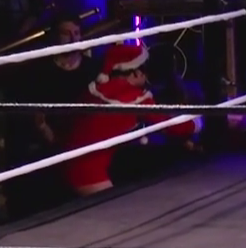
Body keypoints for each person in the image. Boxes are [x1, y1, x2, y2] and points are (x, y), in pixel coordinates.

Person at [61, 43, 197, 196]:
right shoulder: (134, 97)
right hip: (88, 171)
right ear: (135, 73)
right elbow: (170, 126)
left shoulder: (94, 89)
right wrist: (197, 123)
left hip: (65, 161)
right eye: (144, 69)